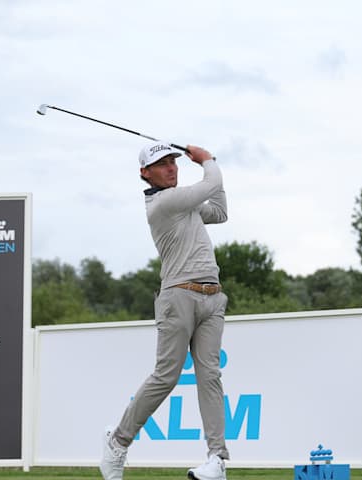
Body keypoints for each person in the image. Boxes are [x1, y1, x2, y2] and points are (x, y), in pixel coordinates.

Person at [100, 141, 230, 480]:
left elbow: (219, 210)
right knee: (166, 377)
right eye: (162, 164)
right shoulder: (164, 203)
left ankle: (216, 459)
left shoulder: (185, 206)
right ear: (145, 173)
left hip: (212, 297)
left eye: (174, 162)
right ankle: (118, 442)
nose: (171, 168)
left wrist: (210, 169)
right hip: (179, 297)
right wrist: (207, 160)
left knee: (210, 377)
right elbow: (211, 184)